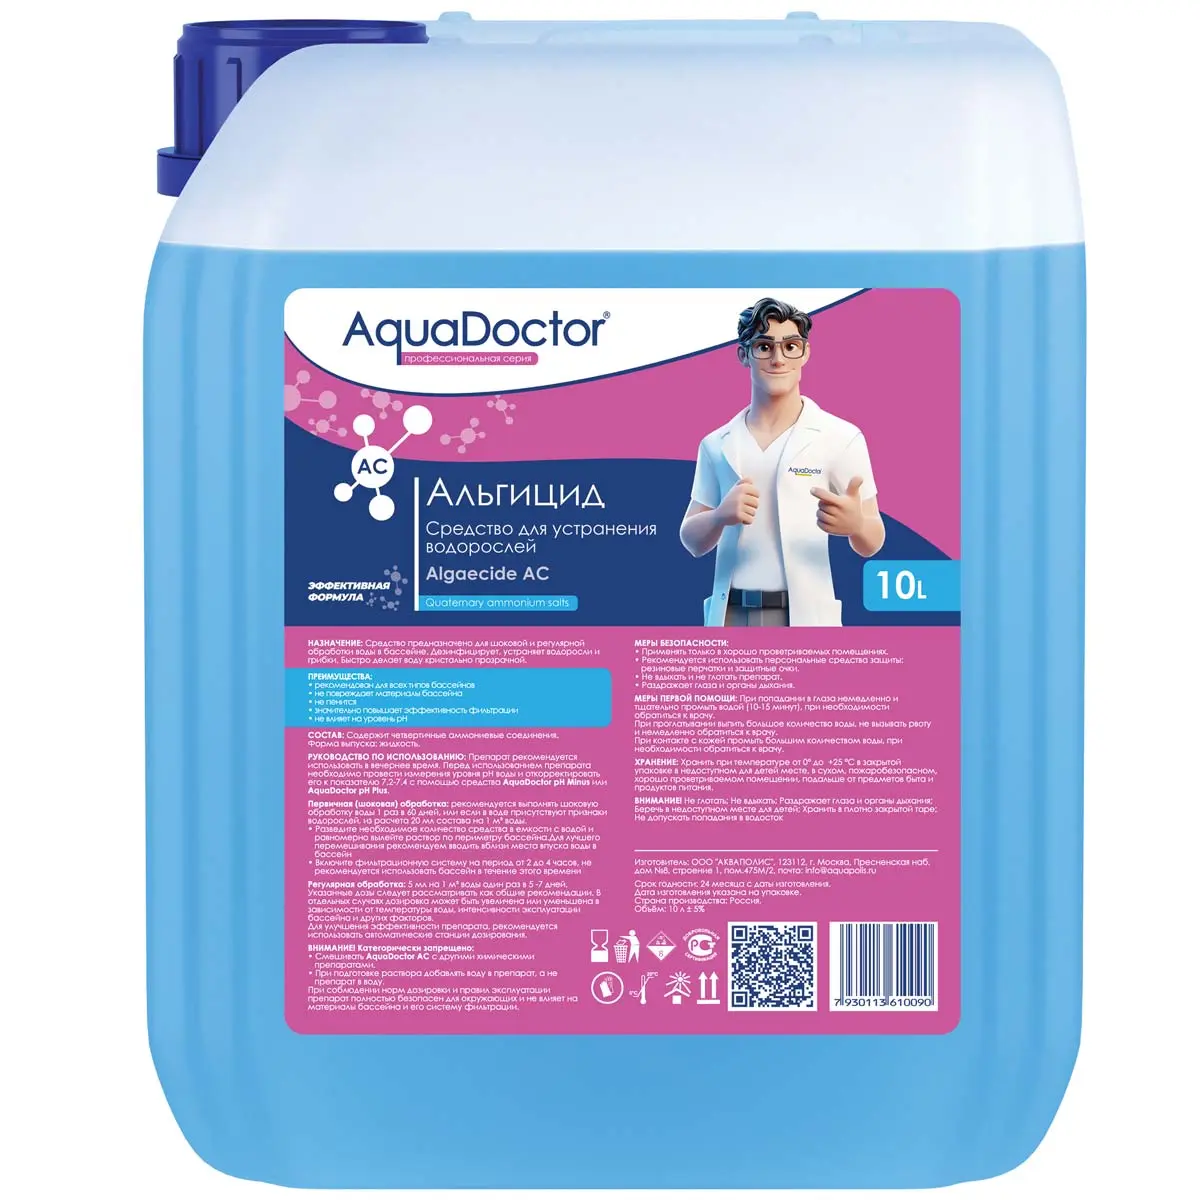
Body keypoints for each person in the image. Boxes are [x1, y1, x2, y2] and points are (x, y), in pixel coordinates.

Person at [680, 297, 885, 626]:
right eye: (764, 347)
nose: (778, 359)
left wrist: (857, 525)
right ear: (744, 355)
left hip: (803, 617)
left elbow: (873, 540)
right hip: (732, 615)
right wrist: (719, 516)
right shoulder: (716, 445)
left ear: (805, 353)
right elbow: (691, 540)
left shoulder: (841, 438)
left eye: (790, 346)